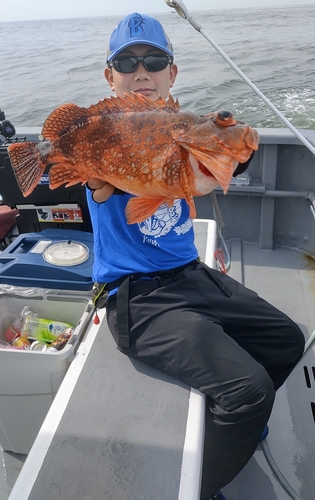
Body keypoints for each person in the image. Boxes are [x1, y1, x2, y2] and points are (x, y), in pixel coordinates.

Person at [86, 12, 305, 500]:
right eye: (126, 61)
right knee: (248, 391)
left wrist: (231, 151)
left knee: (288, 340)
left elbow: (216, 156)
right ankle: (194, 486)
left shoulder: (182, 127)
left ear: (172, 73)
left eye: (154, 60)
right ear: (110, 77)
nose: (141, 70)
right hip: (137, 299)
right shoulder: (105, 136)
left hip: (190, 276)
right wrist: (96, 175)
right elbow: (98, 186)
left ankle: (234, 428)